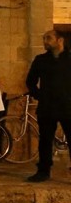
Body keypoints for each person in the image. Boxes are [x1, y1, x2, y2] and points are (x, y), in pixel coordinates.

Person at [26, 29, 71, 183]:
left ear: (60, 40)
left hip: (68, 106)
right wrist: (40, 96)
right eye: (44, 38)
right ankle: (43, 171)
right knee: (45, 140)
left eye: (49, 38)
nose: (45, 41)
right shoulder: (40, 60)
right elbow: (30, 81)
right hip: (47, 107)